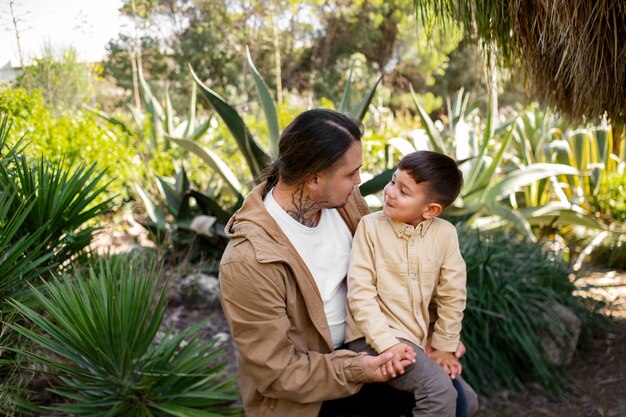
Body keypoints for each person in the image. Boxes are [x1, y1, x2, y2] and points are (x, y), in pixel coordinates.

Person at [218, 109, 476, 417]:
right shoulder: (248, 261)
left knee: (461, 401)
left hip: (375, 342)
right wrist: (362, 368)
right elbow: (278, 373)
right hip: (312, 391)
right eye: (351, 173)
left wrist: (435, 333)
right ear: (313, 179)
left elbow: (393, 271)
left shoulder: (345, 202)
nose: (360, 181)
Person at [346, 150, 475, 417]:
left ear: (430, 210)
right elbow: (360, 294)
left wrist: (443, 346)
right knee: (439, 393)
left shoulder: (445, 235)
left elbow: (452, 294)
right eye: (393, 181)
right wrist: (386, 343)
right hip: (371, 338)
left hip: (416, 340)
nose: (390, 192)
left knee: (468, 402)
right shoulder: (370, 227)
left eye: (404, 192)